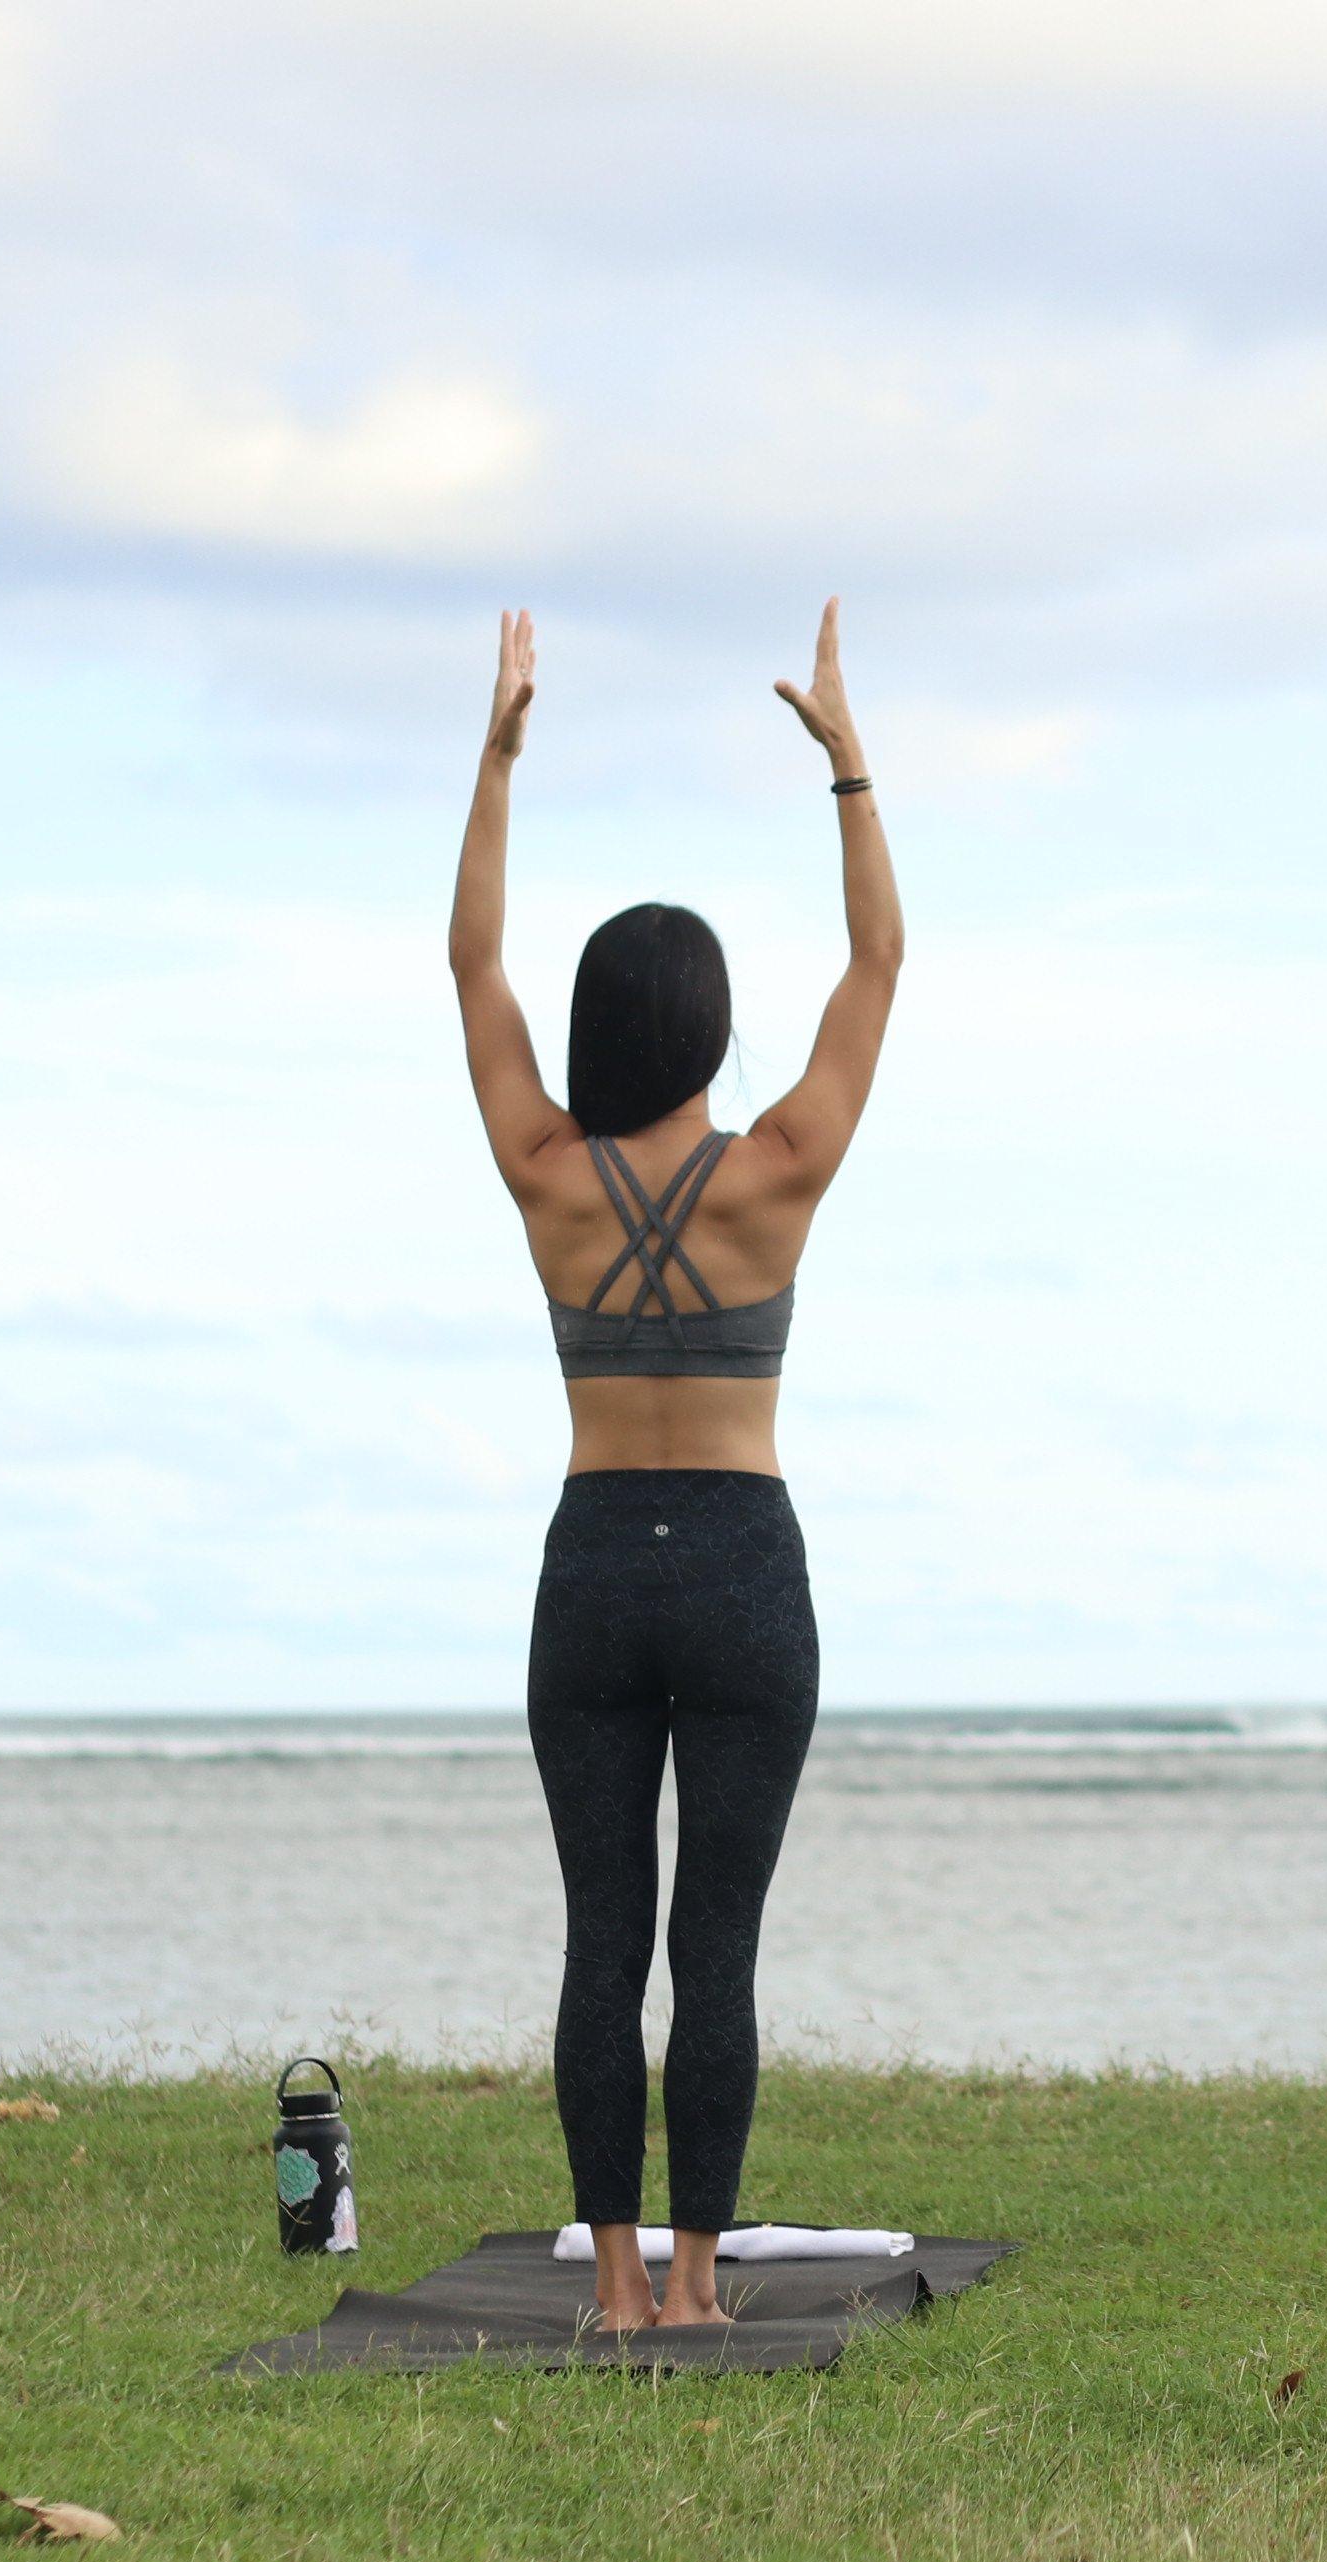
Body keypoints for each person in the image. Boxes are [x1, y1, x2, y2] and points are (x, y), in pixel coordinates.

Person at [444, 600, 899, 2331]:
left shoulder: (545, 1175)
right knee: (716, 1949)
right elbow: (877, 971)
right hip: (740, 1566)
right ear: (708, 1034)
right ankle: (703, 2287)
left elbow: (474, 973)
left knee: (601, 1940)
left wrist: (496, 765)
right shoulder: (777, 1172)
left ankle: (618, 2289)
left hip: (592, 1569)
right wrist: (848, 767)